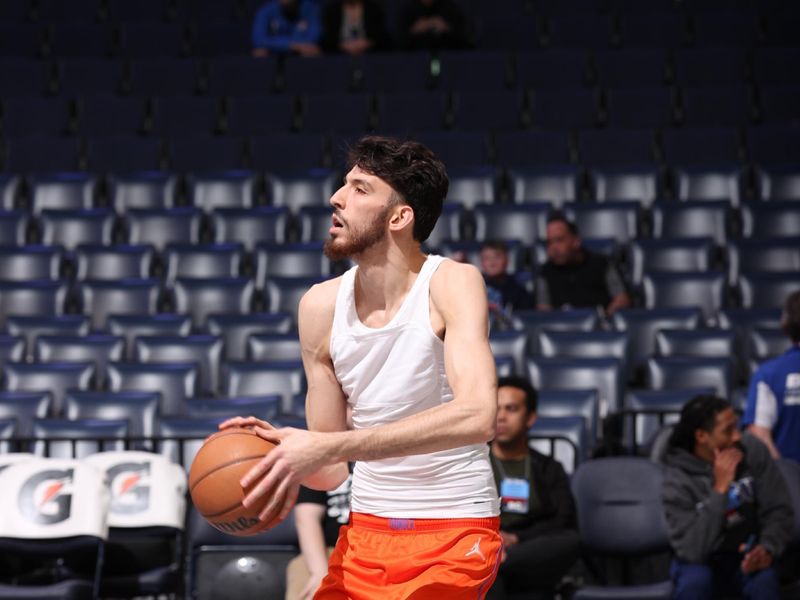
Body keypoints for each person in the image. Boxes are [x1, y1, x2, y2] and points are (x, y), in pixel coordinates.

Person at [222, 136, 502, 599]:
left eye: (360, 188)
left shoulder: (451, 282)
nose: (337, 196)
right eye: (343, 185)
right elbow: (330, 470)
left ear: (399, 217)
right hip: (365, 528)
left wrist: (333, 446)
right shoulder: (319, 305)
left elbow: (478, 416)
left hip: (453, 526)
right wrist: (279, 456)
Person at [662, 394, 794, 600]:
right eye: (727, 431)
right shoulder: (677, 479)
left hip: (747, 553)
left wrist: (767, 549)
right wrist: (720, 490)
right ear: (701, 436)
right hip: (701, 560)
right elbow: (692, 550)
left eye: (736, 427)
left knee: (763, 580)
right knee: (696, 582)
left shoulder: (752, 450)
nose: (737, 437)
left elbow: (779, 510)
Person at [486, 376, 580, 599]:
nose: (501, 417)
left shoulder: (548, 468)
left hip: (528, 548)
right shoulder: (474, 464)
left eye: (511, 409)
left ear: (530, 418)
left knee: (570, 541)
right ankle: (496, 561)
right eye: (496, 409)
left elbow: (562, 520)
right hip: (486, 542)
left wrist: (516, 538)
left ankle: (498, 561)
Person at [743, 289, 800, 463]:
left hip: (789, 483)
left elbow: (760, 436)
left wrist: (787, 480)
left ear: (785, 324)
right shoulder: (768, 374)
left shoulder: (769, 374)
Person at [535, 214, 630, 316]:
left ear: (576, 241)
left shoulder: (602, 264)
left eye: (559, 240)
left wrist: (606, 317)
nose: (554, 248)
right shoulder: (545, 272)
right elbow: (543, 310)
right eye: (550, 242)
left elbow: (621, 299)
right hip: (561, 328)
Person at [285, 473, 352, 600]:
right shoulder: (325, 459)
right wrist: (319, 572)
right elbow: (307, 517)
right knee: (301, 571)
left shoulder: (396, 460)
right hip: (331, 550)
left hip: (383, 545)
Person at [479, 241, 535, 315]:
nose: (492, 262)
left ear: (506, 260)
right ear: (481, 262)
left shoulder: (518, 291)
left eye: (497, 257)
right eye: (487, 258)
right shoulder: (475, 288)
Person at [252, 0, 321, 57]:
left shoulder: (310, 9)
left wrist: (298, 46)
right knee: (260, 52)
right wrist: (291, 45)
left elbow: (314, 37)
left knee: (312, 50)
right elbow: (258, 40)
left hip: (299, 52)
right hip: (275, 51)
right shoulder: (266, 11)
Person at [320, 0, 390, 55]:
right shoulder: (332, 11)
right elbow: (328, 38)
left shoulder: (374, 9)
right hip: (339, 55)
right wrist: (344, 46)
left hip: (369, 55)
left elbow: (381, 36)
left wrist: (366, 44)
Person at [398, 0, 470, 51]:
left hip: (449, 60)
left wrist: (447, 28)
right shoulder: (408, 10)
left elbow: (465, 42)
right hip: (412, 62)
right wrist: (414, 31)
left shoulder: (450, 8)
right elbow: (397, 45)